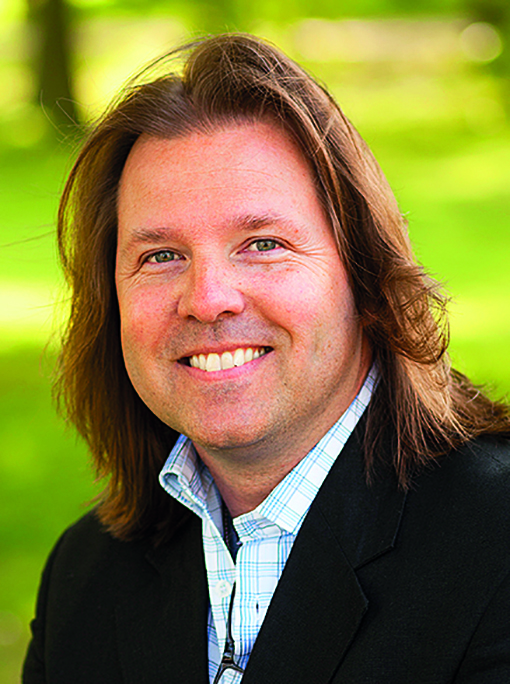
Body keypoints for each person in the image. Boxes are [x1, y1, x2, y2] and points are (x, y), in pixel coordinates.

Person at [23, 33, 510, 684]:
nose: (207, 299)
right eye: (161, 256)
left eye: (262, 244)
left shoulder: (496, 549)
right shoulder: (84, 579)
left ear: (364, 275)